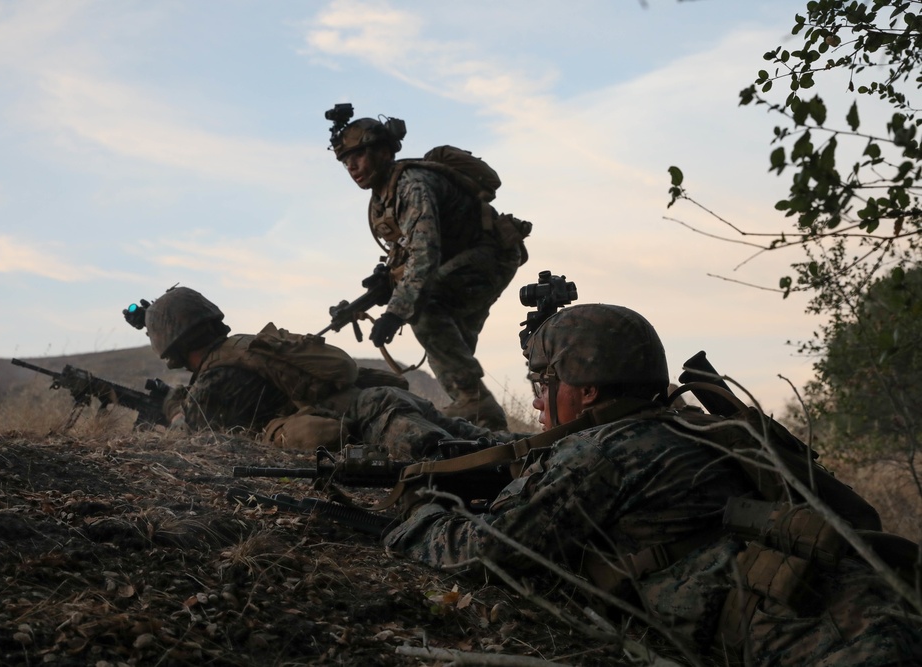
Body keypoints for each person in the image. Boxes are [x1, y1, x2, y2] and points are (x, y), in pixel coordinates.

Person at [383, 303, 922, 665]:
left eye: (543, 385)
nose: (539, 402)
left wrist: (419, 516)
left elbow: (485, 554)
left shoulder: (604, 451)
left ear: (588, 391)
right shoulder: (698, 426)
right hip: (880, 609)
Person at [139, 285, 511, 457]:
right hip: (385, 399)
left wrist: (170, 407)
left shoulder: (217, 377)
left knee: (461, 460)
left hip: (375, 417)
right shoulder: (244, 347)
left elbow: (192, 435)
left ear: (171, 346)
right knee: (499, 447)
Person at [330, 110, 527, 431]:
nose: (351, 167)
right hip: (470, 258)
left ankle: (473, 402)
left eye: (358, 156)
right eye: (345, 161)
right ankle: (483, 423)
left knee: (425, 309)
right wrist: (385, 281)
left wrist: (396, 312)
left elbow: (424, 254)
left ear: (383, 152)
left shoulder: (412, 185)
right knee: (452, 338)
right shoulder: (383, 197)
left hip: (490, 255)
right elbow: (408, 248)